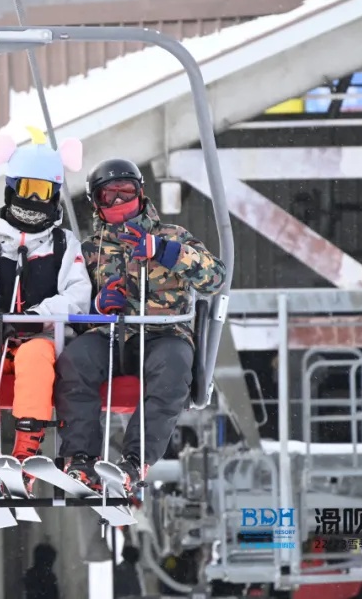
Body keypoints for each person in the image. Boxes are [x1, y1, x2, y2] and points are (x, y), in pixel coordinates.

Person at [55, 158, 226, 496]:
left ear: (141, 193)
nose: (119, 200)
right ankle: (81, 458)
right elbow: (71, 303)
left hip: (164, 335)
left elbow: (214, 278)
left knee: (173, 367)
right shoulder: (89, 250)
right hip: (110, 335)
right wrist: (97, 307)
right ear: (96, 203)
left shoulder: (173, 236)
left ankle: (134, 461)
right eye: (109, 195)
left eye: (126, 191)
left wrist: (165, 252)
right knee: (75, 361)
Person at [0, 129, 89, 494]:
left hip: (41, 338)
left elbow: (78, 296)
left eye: (42, 191)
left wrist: (35, 315)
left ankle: (27, 451)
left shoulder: (62, 243)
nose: (33, 200)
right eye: (27, 188)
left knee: (34, 359)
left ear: (55, 195)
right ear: (11, 188)